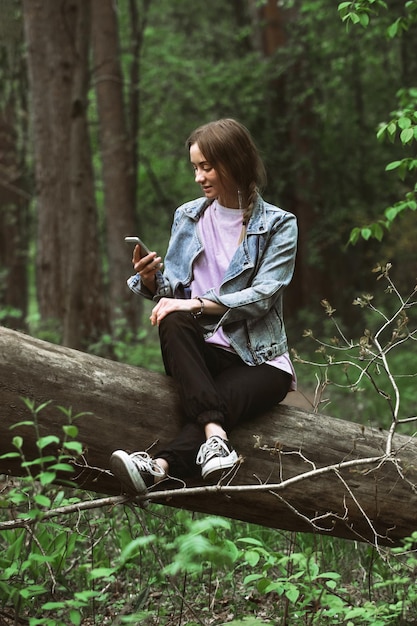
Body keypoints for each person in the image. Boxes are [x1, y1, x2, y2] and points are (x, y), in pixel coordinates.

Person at [110, 118, 298, 495]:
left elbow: (263, 295)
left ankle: (159, 466)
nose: (198, 177)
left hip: (258, 361)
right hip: (202, 354)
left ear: (235, 162)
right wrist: (152, 282)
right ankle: (215, 436)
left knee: (186, 330)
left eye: (207, 167)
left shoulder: (279, 224)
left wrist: (197, 303)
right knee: (171, 316)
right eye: (195, 167)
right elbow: (176, 291)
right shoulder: (189, 216)